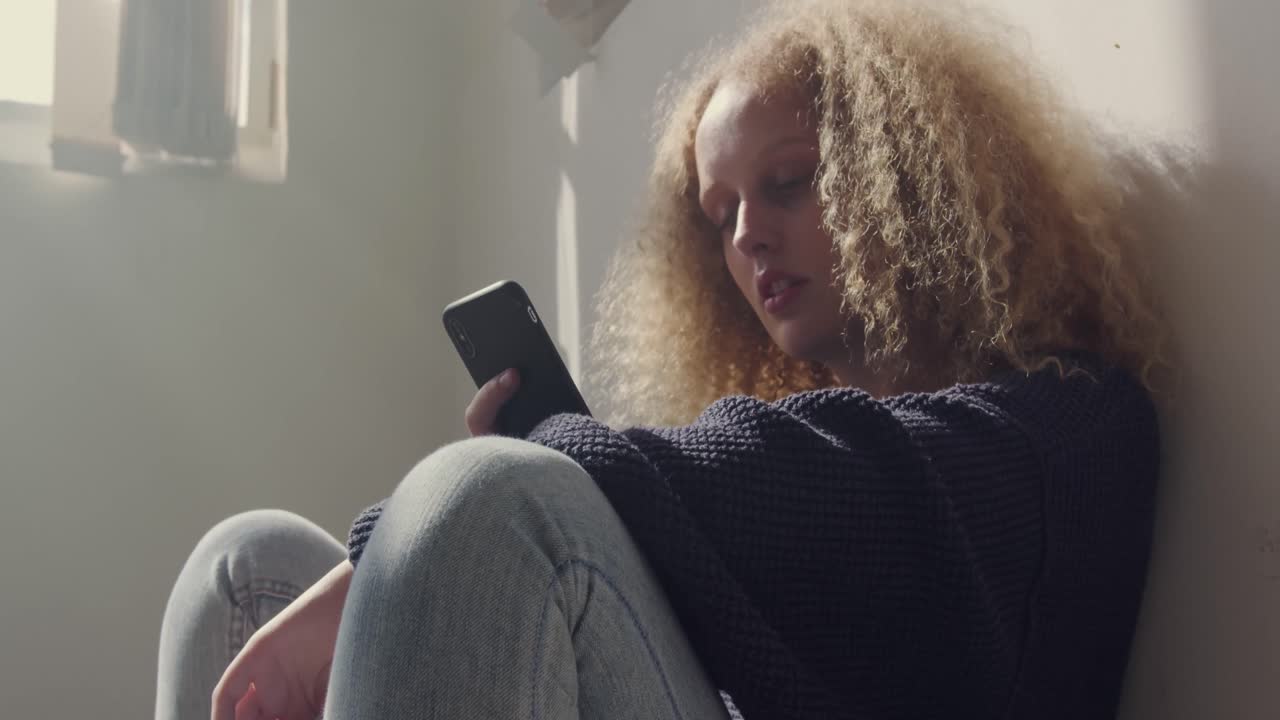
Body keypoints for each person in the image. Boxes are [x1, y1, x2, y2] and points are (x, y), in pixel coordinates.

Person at [155, 0, 1172, 718]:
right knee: (242, 569)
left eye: (784, 184)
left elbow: (832, 479)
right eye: (718, 216)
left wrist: (402, 548)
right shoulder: (782, 471)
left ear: (903, 175)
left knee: (496, 499)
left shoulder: (1071, 431)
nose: (745, 242)